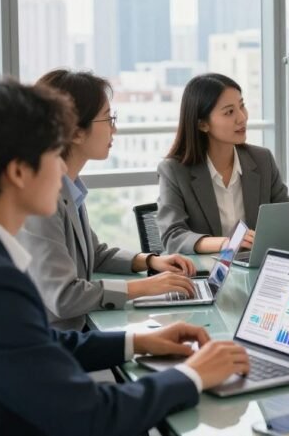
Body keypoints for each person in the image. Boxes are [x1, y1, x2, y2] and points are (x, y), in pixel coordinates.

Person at [0, 79, 251, 435]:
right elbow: (91, 416)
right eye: (52, 155)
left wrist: (136, 342)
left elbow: (32, 344)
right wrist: (193, 375)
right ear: (17, 172)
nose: (62, 171)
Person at [17, 70, 199, 331]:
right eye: (108, 118)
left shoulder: (69, 188)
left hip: (77, 335)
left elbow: (96, 253)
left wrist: (149, 261)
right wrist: (143, 288)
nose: (114, 128)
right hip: (53, 347)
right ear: (76, 132)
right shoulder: (39, 201)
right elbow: (64, 297)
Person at [157, 73, 289, 254]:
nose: (242, 117)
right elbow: (173, 236)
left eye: (242, 106)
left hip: (253, 270)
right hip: (201, 274)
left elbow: (288, 220)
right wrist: (227, 244)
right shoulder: (174, 170)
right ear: (203, 124)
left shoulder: (262, 160)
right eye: (229, 112)